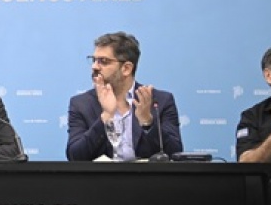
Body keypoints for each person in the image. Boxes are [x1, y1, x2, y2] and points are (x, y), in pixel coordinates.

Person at [66, 32, 183, 161]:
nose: (94, 67)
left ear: (126, 68)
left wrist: (147, 123)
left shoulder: (160, 101)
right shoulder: (81, 104)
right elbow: (75, 156)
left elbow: (174, 153)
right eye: (94, 60)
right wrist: (106, 116)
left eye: (103, 61)